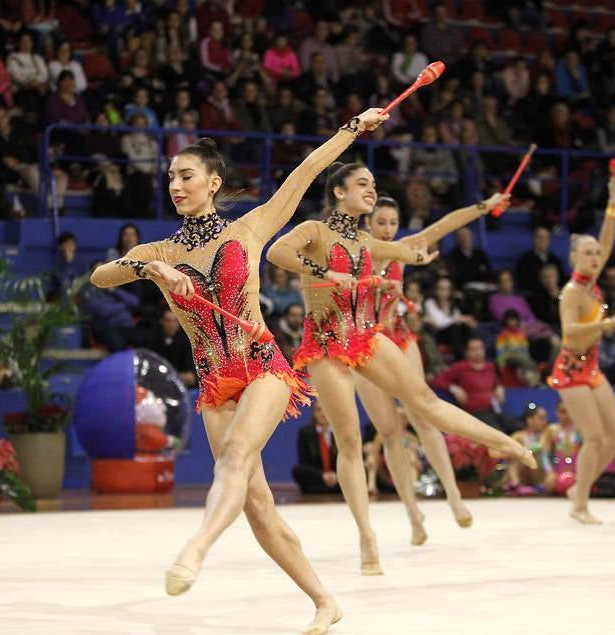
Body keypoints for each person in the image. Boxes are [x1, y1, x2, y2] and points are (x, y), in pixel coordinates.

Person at [89, 107, 391, 634]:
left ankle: (195, 550)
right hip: (214, 383)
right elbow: (99, 276)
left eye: (186, 175)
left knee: (233, 458)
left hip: (262, 368)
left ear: (213, 183)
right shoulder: (160, 250)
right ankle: (325, 600)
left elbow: (305, 173)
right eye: (170, 178)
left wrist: (352, 129)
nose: (175, 184)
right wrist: (148, 266)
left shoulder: (252, 227)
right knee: (257, 505)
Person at [267, 162, 535, 575]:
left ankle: (505, 443)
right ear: (339, 192)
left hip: (366, 336)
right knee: (351, 441)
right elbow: (277, 252)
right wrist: (325, 272)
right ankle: (367, 537)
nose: (371, 191)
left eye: (374, 184)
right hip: (324, 344)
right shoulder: (315, 231)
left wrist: (423, 251)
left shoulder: (365, 241)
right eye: (362, 184)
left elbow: (419, 243)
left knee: (425, 402)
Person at [357, 193, 510, 537]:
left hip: (397, 338)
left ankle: (454, 496)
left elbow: (445, 225)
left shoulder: (402, 249)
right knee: (389, 432)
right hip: (364, 345)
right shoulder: (355, 250)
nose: (386, 230)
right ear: (368, 222)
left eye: (392, 223)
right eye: (380, 222)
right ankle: (413, 515)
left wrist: (483, 206)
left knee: (424, 417)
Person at [549, 175, 615, 524]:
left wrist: (613, 202)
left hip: (592, 367)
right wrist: (604, 325)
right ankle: (579, 505)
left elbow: (608, 238)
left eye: (597, 253)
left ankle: (579, 489)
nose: (596, 256)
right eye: (588, 252)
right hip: (570, 370)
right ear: (573, 257)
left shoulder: (592, 282)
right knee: (595, 436)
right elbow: (568, 333)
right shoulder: (572, 292)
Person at [430, 337, 519, 434]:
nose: (478, 352)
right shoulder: (460, 367)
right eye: (474, 349)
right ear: (466, 352)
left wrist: (499, 387)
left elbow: (496, 382)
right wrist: (454, 388)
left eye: (480, 348)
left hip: (494, 410)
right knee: (498, 433)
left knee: (519, 427)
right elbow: (437, 381)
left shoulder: (490, 366)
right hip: (475, 413)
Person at [500, 404, 554, 495]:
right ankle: (515, 484)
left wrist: (523, 451)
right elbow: (506, 453)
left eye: (545, 418)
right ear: (530, 420)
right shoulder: (518, 436)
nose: (545, 421)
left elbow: (542, 449)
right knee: (514, 456)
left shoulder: (547, 433)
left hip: (542, 477)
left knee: (526, 454)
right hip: (523, 476)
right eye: (541, 418)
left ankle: (536, 487)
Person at [292, 401, 340, 494]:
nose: (323, 413)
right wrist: (322, 475)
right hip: (318, 477)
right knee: (297, 470)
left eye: (326, 410)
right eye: (319, 410)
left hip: (337, 477)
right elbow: (304, 462)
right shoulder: (305, 433)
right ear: (314, 413)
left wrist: (336, 476)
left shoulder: (339, 432)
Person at [145, 308, 196, 388]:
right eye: (168, 321)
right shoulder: (152, 341)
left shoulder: (187, 342)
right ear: (162, 322)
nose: (172, 325)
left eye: (175, 321)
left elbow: (191, 376)